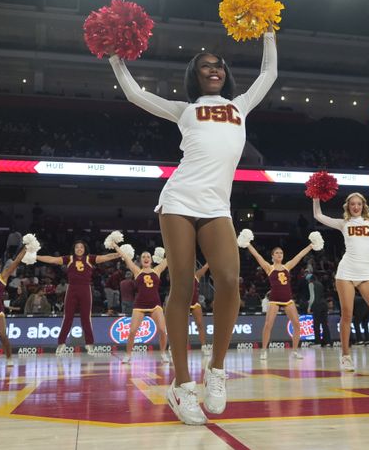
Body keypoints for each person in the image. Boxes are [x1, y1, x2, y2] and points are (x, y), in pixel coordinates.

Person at [110, 29, 277, 424]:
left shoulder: (240, 105)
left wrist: (269, 33)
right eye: (205, 67)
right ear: (194, 76)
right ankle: (182, 386)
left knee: (229, 280)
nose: (213, 70)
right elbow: (137, 96)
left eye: (217, 66)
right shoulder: (183, 109)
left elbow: (268, 74)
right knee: (182, 285)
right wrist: (116, 58)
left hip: (217, 205)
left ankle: (215, 371)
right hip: (180, 199)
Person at [314, 192, 369, 372]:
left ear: (363, 206)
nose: (355, 207)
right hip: (345, 272)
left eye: (358, 204)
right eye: (352, 204)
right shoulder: (343, 223)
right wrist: (316, 197)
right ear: (348, 206)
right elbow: (318, 216)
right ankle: (345, 356)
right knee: (347, 315)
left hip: (365, 273)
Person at [35, 241, 120, 354]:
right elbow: (52, 259)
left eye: (81, 247)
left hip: (85, 290)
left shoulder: (90, 258)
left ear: (85, 249)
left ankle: (89, 344)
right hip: (72, 290)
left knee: (86, 318)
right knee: (67, 317)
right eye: (77, 247)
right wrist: (35, 256)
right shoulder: (69, 259)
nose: (79, 249)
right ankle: (61, 343)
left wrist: (119, 253)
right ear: (74, 249)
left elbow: (106, 257)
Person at [244, 241, 314, 360]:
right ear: (272, 256)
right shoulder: (269, 268)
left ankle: (295, 351)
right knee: (268, 325)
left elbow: (300, 255)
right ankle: (264, 351)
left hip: (288, 299)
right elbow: (257, 255)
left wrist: (311, 245)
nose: (279, 254)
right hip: (274, 299)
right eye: (276, 253)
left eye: (281, 253)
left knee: (297, 324)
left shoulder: (287, 266)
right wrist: (248, 244)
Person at [115, 248, 170, 364]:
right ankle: (128, 355)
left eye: (148, 257)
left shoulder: (157, 270)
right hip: (139, 304)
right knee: (132, 331)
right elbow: (125, 256)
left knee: (162, 330)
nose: (146, 258)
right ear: (140, 260)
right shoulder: (136, 271)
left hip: (155, 304)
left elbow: (169, 257)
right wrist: (114, 244)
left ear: (151, 260)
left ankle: (163, 353)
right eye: (143, 257)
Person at [189, 264, 211, 356]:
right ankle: (174, 347)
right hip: (183, 304)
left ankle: (204, 346)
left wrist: (211, 257)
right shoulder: (179, 275)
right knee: (180, 327)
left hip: (194, 303)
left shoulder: (196, 275)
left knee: (200, 324)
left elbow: (205, 267)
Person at [307, 273, 331, 347]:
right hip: (324, 304)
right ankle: (327, 342)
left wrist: (309, 307)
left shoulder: (311, 284)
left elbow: (312, 297)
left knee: (316, 324)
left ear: (309, 280)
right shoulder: (320, 284)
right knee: (324, 324)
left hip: (317, 305)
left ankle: (317, 342)